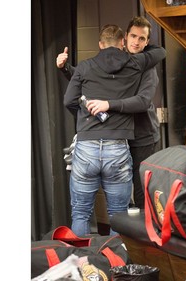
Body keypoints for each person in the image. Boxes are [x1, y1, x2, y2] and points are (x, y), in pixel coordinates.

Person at [63, 24, 166, 236]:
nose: (136, 42)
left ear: (100, 44)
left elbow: (70, 99)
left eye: (142, 39)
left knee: (81, 213)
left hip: (89, 147)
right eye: (133, 37)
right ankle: (118, 264)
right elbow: (162, 52)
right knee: (119, 214)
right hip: (118, 146)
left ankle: (81, 266)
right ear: (123, 41)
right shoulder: (135, 64)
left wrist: (84, 116)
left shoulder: (86, 65)